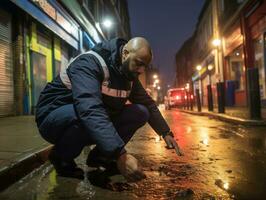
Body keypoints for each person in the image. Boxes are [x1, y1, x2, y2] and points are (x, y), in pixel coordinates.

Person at [35, 37, 183, 182]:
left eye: (145, 66)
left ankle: (101, 157)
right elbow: (90, 110)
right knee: (85, 114)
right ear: (125, 53)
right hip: (52, 116)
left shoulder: (128, 75)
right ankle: (61, 157)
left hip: (83, 115)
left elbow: (148, 104)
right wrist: (120, 154)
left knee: (140, 112)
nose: (142, 70)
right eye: (139, 63)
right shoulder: (89, 63)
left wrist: (165, 132)